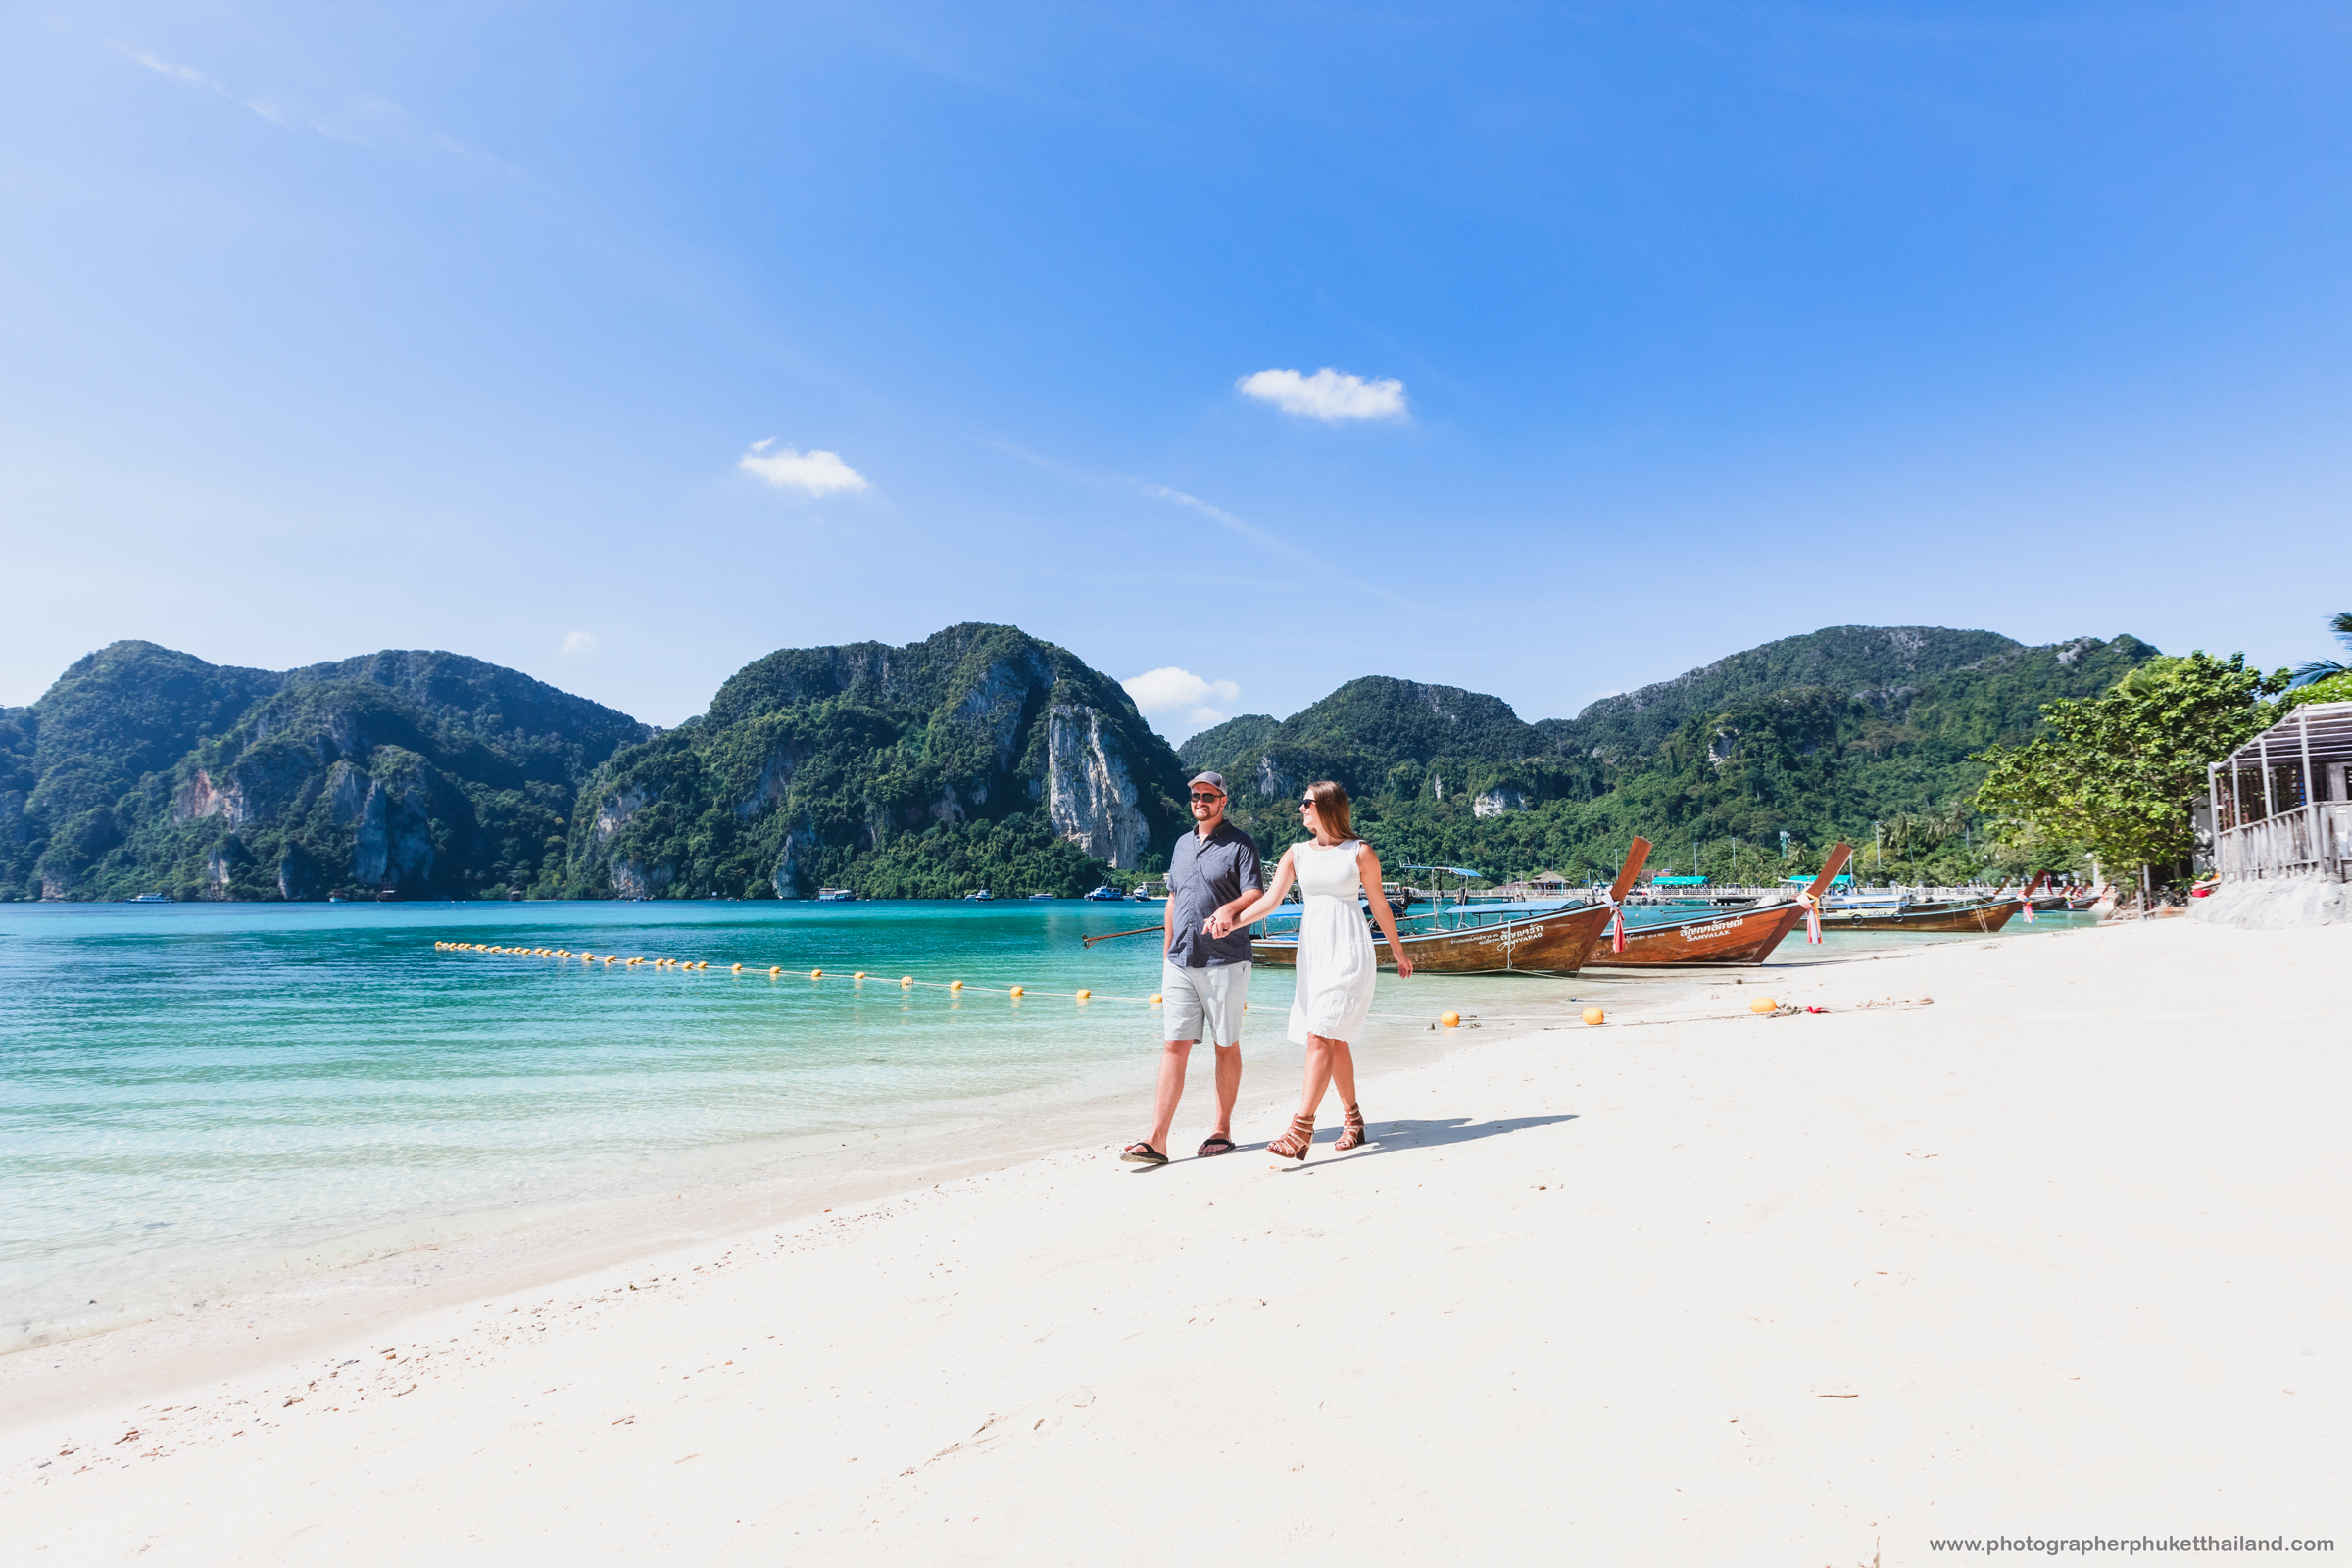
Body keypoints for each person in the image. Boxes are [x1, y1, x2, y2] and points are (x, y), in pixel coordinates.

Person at [1213, 780, 1412, 1160]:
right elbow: (1270, 901)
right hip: (1314, 953)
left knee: (1320, 1033)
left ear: (1326, 806)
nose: (1301, 809)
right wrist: (1233, 923)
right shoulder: (1297, 853)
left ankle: (1300, 1129)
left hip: (1350, 949)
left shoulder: (1360, 852)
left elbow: (1380, 906)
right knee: (1331, 1037)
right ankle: (1353, 1120)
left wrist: (1398, 951)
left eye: (1306, 803)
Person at [1121, 771, 1264, 1166]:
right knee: (1173, 1045)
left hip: (1226, 959)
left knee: (1224, 1044)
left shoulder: (1241, 845)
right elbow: (1173, 897)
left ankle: (1222, 1129)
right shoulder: (1182, 844)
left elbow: (1255, 892)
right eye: (1195, 795)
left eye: (1208, 795)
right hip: (1180, 961)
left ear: (1223, 801)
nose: (1200, 800)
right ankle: (1157, 1140)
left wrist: (1229, 908)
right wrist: (1167, 947)